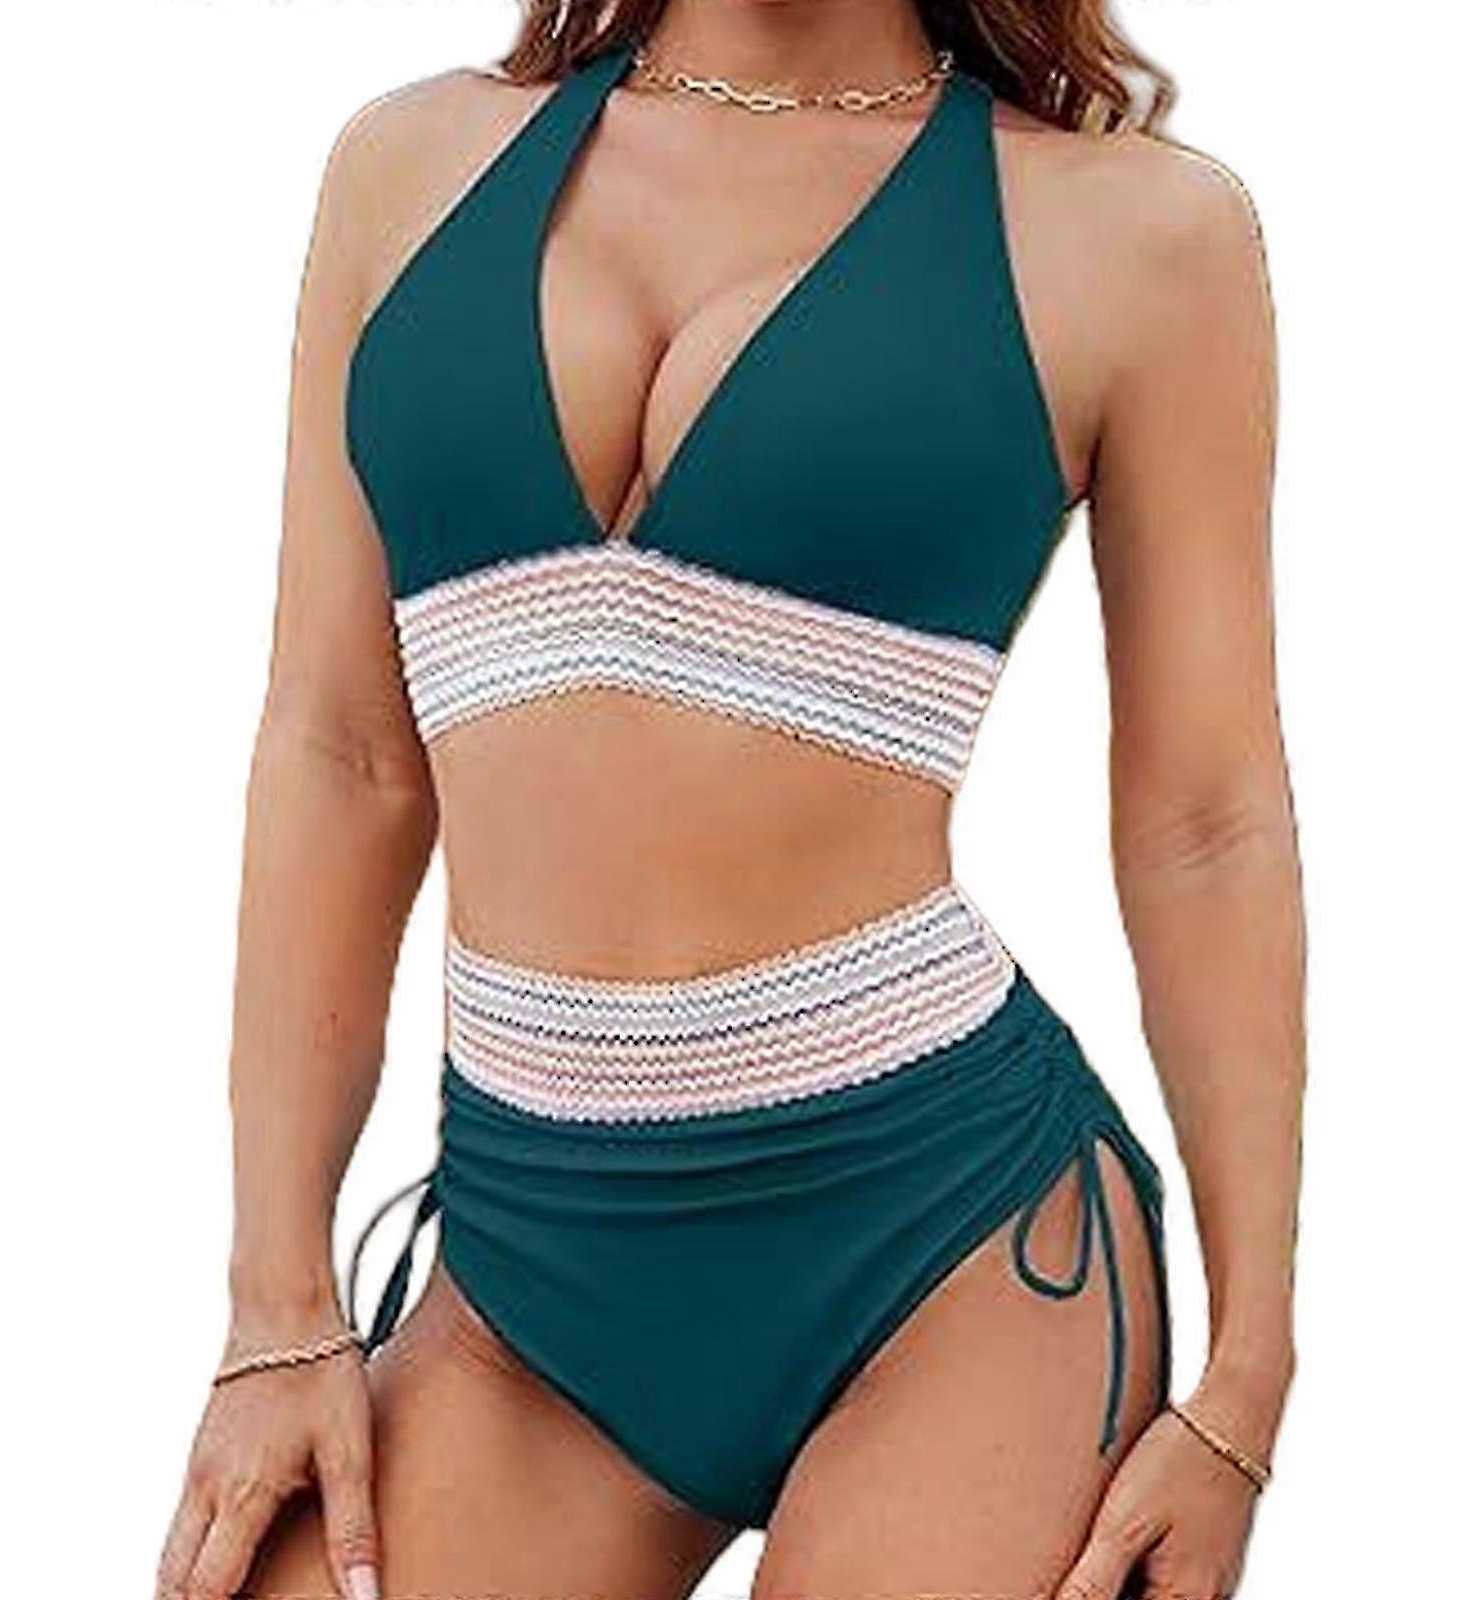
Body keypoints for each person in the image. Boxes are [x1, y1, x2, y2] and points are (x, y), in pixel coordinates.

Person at [156, 2, 1304, 1597]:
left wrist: (1245, 1384)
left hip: (956, 1249)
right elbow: (339, 750)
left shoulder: (1139, 236)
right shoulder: (409, 171)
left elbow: (1207, 821)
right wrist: (276, 1305)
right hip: (528, 1271)